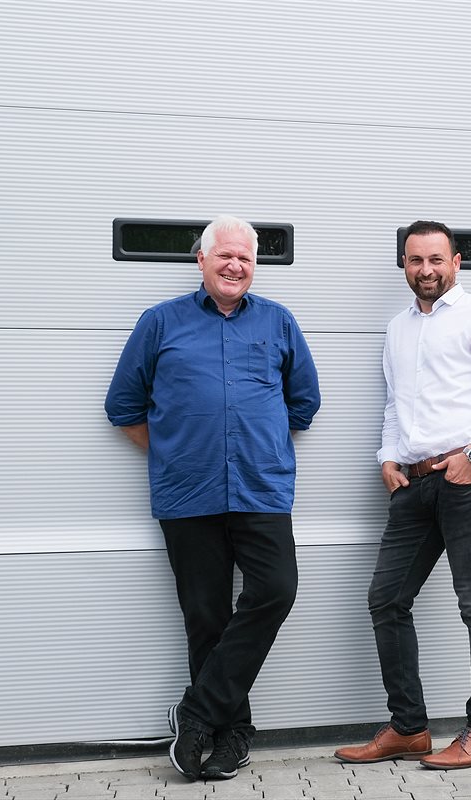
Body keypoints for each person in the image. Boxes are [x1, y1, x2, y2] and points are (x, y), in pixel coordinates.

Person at [104, 214, 320, 781]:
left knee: (276, 589)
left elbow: (304, 404)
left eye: (246, 258)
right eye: (224, 255)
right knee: (206, 617)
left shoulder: (278, 322)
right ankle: (230, 735)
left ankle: (195, 712)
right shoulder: (160, 322)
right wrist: (176, 449)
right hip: (188, 492)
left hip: (260, 487)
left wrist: (258, 438)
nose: (235, 265)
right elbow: (123, 407)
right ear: (200, 260)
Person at [334, 220, 471, 770]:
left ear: (456, 262)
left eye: (436, 259)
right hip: (413, 485)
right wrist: (387, 458)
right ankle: (409, 728)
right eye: (416, 261)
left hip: (469, 478)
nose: (426, 270)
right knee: (386, 600)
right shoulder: (398, 329)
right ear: (404, 265)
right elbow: (396, 404)